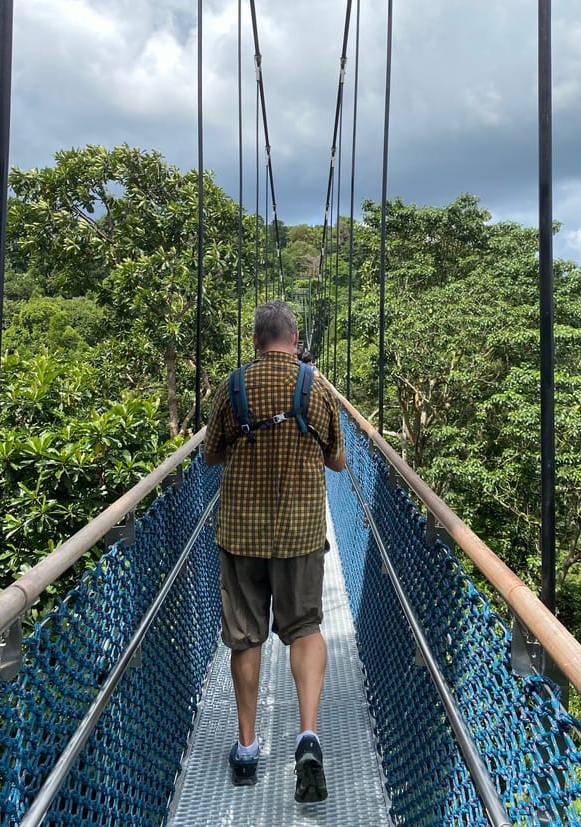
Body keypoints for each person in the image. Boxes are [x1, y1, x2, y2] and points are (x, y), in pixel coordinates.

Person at [203, 300, 346, 803]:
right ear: (296, 337)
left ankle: (246, 750)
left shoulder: (233, 386)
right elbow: (339, 461)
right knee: (305, 629)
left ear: (255, 340)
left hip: (241, 535)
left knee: (246, 637)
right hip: (301, 536)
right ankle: (308, 736)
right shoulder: (317, 388)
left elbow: (210, 453)